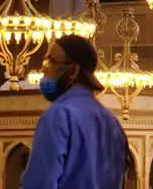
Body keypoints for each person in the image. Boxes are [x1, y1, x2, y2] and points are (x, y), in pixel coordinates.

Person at [24, 34, 129, 189]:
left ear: (73, 71)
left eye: (51, 62)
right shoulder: (111, 121)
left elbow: (40, 182)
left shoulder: (59, 115)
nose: (43, 70)